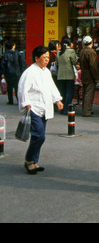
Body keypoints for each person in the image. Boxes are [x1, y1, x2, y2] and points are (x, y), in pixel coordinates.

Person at [18, 46, 63, 174]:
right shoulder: (30, 72)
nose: (47, 60)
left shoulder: (46, 71)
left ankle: (34, 162)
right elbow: (22, 89)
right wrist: (26, 103)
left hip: (44, 107)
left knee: (38, 135)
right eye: (44, 57)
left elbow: (52, 87)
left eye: (48, 57)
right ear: (36, 58)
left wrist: (57, 100)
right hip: (33, 108)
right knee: (40, 136)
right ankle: (29, 160)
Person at [79, 35, 99, 117]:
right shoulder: (91, 52)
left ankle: (85, 109)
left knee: (85, 92)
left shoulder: (82, 51)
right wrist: (96, 77)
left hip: (84, 73)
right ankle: (87, 111)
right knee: (89, 93)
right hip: (90, 75)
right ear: (92, 42)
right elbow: (93, 66)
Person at [0, 40, 27, 105]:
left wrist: (2, 73)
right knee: (18, 87)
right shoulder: (18, 54)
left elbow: (2, 65)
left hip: (8, 74)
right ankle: (18, 100)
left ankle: (10, 101)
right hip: (18, 74)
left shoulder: (5, 55)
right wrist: (23, 72)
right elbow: (23, 64)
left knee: (9, 87)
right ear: (13, 46)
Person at [56, 38, 77, 115]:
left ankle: (61, 109)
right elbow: (74, 61)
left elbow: (56, 63)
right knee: (69, 92)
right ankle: (66, 109)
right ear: (70, 44)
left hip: (60, 75)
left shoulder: (59, 52)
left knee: (62, 92)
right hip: (69, 74)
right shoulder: (71, 51)